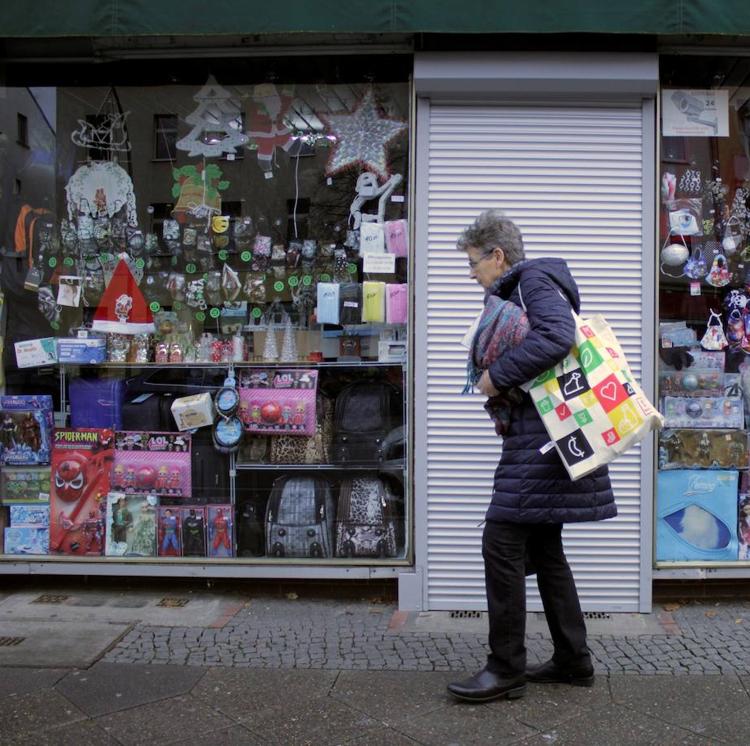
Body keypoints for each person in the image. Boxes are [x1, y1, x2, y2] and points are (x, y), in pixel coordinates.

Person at [447, 209, 616, 703]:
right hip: (543, 435)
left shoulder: (533, 281)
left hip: (542, 437)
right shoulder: (528, 284)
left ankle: (506, 670)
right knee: (545, 550)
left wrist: (495, 376)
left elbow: (555, 336)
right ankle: (572, 660)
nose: (473, 273)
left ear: (497, 256)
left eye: (475, 263)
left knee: (501, 543)